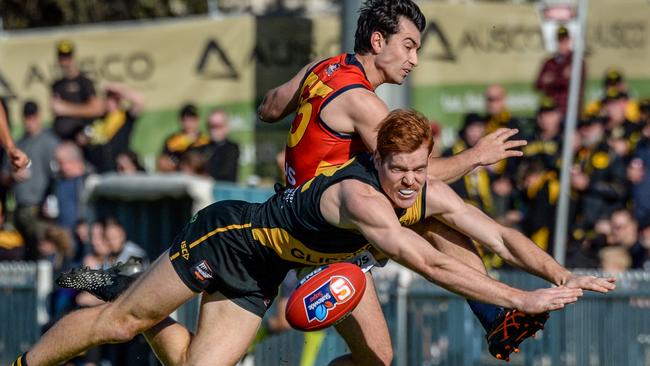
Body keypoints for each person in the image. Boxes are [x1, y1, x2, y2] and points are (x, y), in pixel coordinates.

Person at [15, 109, 615, 366]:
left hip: (264, 272)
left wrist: (561, 277)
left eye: (417, 171)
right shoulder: (361, 198)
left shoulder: (424, 187)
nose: (408, 184)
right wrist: (518, 300)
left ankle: (138, 295)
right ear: (377, 161)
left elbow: (504, 237)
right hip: (229, 236)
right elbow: (425, 262)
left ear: (428, 162)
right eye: (397, 170)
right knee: (118, 320)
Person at [258, 1, 530, 363]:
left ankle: (494, 316)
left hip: (320, 219)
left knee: (378, 360)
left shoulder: (322, 68)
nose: (414, 59)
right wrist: (476, 156)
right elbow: (421, 175)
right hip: (325, 237)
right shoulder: (364, 104)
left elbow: (268, 108)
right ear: (377, 41)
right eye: (408, 45)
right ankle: (493, 315)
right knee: (432, 209)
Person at [2, 101, 58, 259]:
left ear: (39, 117)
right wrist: (12, 176)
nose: (30, 121)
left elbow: (57, 176)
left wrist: (51, 203)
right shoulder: (18, 143)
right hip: (18, 209)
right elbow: (3, 176)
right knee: (21, 254)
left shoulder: (49, 142)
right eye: (27, 117)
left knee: (43, 250)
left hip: (40, 209)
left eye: (33, 116)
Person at [82, 83, 145, 173]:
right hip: (97, 169)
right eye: (108, 98)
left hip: (118, 169)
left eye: (114, 98)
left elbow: (140, 102)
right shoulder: (97, 119)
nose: (110, 101)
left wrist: (121, 91)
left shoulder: (125, 117)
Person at [50, 40, 103, 141]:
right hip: (60, 138)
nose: (65, 61)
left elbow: (97, 109)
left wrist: (65, 109)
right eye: (62, 57)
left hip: (80, 137)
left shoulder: (84, 82)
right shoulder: (56, 85)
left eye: (67, 57)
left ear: (73, 58)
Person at [534, 25, 586, 116]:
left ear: (569, 40)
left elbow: (574, 84)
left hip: (571, 111)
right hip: (552, 110)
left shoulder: (577, 61)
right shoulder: (549, 62)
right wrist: (563, 76)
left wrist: (552, 79)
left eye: (564, 40)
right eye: (560, 40)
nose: (562, 43)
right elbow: (538, 85)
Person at [157, 103, 210, 172]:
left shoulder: (206, 139)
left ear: (198, 120)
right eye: (185, 118)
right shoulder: (172, 140)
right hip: (178, 176)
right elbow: (162, 162)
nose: (189, 122)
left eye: (192, 118)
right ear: (180, 120)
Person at [193, 109, 240, 182]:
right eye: (211, 126)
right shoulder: (201, 148)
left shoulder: (232, 148)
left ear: (226, 126)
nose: (214, 130)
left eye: (218, 126)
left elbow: (225, 173)